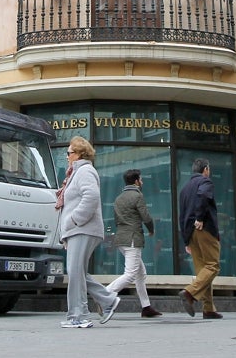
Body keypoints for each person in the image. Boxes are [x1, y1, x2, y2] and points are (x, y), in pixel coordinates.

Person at [58, 136, 119, 328]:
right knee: (79, 272)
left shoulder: (85, 171)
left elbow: (91, 197)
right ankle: (108, 300)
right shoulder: (76, 173)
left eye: (69, 152)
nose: (66, 156)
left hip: (82, 228)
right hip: (79, 229)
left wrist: (74, 220)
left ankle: (79, 316)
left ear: (78, 154)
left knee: (75, 272)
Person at [105, 168, 161, 318]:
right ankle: (104, 295)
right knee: (130, 274)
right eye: (141, 180)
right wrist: (151, 229)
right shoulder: (137, 196)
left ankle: (146, 307)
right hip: (132, 239)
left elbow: (117, 220)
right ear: (136, 181)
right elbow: (146, 217)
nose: (141, 182)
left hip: (121, 239)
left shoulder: (118, 198)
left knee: (140, 274)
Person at [178, 157, 222, 319]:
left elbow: (181, 215)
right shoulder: (205, 182)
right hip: (203, 229)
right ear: (205, 169)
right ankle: (189, 293)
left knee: (203, 270)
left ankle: (208, 308)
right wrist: (200, 218)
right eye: (208, 170)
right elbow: (203, 196)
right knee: (212, 266)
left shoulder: (184, 189)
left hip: (190, 233)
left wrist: (186, 239)